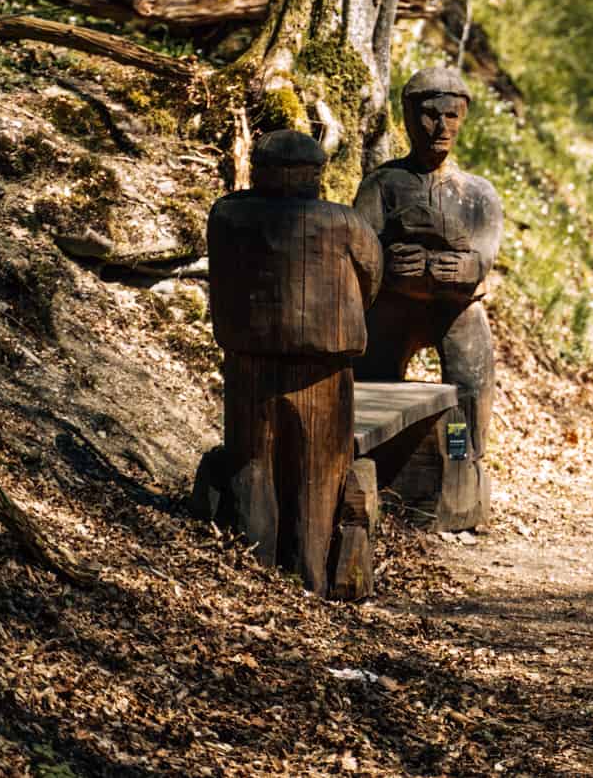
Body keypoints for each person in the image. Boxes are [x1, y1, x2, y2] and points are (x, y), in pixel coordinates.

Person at [204, 129, 382, 594]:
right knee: (316, 477)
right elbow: (372, 278)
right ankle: (309, 579)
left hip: (249, 365)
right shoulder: (345, 223)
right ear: (316, 174)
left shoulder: (226, 215)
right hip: (321, 370)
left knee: (253, 468)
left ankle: (253, 573)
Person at [352, 68, 503, 527]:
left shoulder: (478, 193)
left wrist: (469, 268)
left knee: (470, 381)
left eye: (451, 116)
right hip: (395, 308)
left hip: (456, 310)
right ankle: (373, 460)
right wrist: (388, 267)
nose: (440, 128)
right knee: (372, 375)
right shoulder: (384, 184)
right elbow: (361, 245)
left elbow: (486, 252)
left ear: (463, 119)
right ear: (407, 117)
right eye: (429, 115)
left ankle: (463, 461)